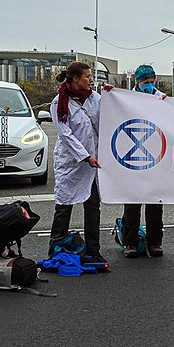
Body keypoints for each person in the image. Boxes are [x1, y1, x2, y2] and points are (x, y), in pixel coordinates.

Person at [50, 61, 109, 264]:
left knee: (93, 207)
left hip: (93, 162)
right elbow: (65, 134)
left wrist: (112, 96)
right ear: (75, 79)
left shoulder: (96, 99)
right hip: (71, 162)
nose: (91, 80)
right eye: (87, 76)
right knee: (64, 206)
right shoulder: (59, 102)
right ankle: (56, 248)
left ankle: (94, 250)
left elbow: (109, 119)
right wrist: (85, 156)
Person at [119, 64, 167, 258]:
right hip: (134, 158)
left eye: (151, 82)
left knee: (155, 203)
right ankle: (130, 242)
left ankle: (155, 242)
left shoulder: (161, 98)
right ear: (138, 82)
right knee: (132, 203)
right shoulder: (126, 99)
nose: (149, 86)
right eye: (145, 82)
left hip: (155, 155)